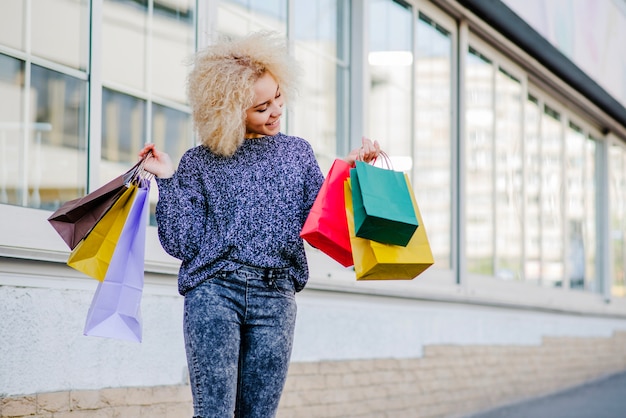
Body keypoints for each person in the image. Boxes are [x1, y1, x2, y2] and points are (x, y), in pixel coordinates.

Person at [139, 31, 380, 418]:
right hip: (214, 295)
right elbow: (180, 242)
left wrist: (351, 171)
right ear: (230, 110)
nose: (275, 111)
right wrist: (167, 181)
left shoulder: (296, 153)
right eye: (261, 107)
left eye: (278, 97)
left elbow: (320, 224)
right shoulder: (199, 162)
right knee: (214, 413)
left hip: (276, 299)